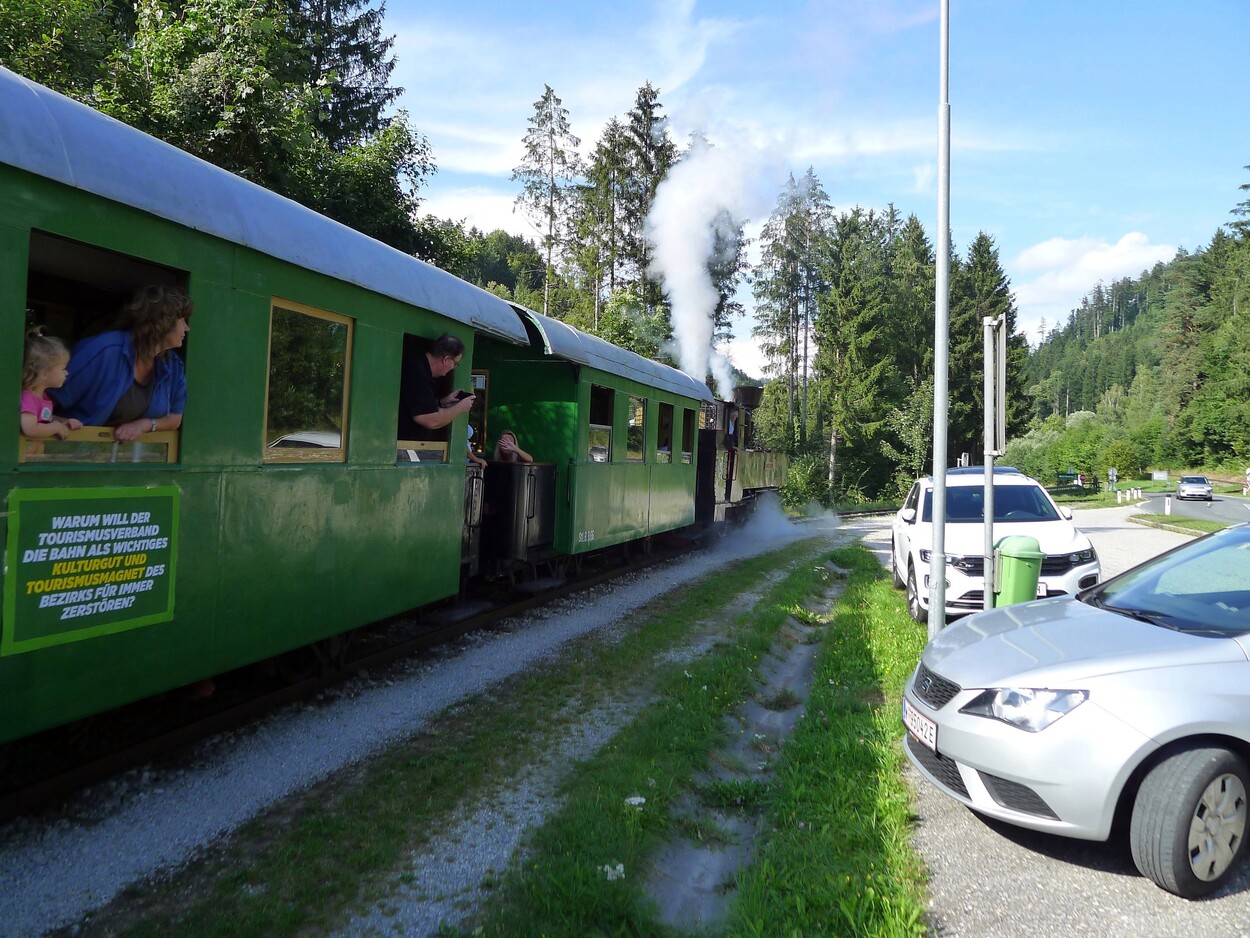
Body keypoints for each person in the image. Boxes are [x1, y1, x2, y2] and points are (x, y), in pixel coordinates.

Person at [51, 284, 191, 441]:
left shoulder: (174, 366)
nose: (187, 328)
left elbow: (174, 419)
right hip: (67, 449)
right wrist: (61, 423)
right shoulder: (102, 351)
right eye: (182, 320)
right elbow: (38, 398)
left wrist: (144, 424)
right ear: (162, 323)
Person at [397, 332, 475, 439]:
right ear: (446, 360)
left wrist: (441, 402)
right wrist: (460, 408)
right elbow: (429, 420)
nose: (454, 367)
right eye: (455, 363)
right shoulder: (418, 372)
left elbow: (414, 405)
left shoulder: (420, 366)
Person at [20, 328, 83, 440]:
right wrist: (55, 427)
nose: (67, 373)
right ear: (44, 373)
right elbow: (30, 428)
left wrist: (63, 421)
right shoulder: (28, 398)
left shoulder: (42, 397)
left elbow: (45, 417)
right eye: (63, 368)